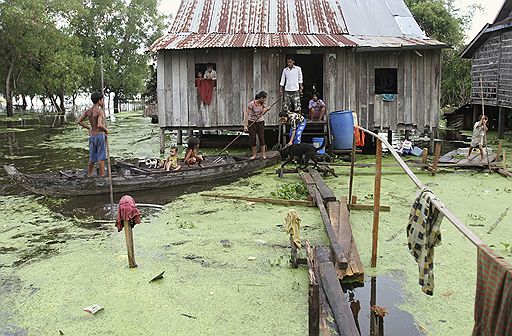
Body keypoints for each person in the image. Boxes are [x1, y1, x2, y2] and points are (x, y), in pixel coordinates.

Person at [77, 92, 108, 177]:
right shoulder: (100, 111)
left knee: (92, 157)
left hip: (92, 137)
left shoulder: (88, 111)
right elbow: (99, 125)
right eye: (102, 100)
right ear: (99, 101)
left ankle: (89, 174)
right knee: (101, 157)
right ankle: (102, 176)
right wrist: (106, 130)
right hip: (99, 136)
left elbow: (79, 121)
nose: (103, 102)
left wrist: (89, 128)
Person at [244, 91, 270, 159]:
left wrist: (266, 110)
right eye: (264, 98)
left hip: (260, 122)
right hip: (252, 122)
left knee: (261, 137)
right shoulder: (252, 104)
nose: (265, 100)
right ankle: (254, 155)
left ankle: (263, 155)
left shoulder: (262, 104)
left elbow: (262, 113)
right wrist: (245, 125)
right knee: (253, 138)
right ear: (261, 98)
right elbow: (247, 114)